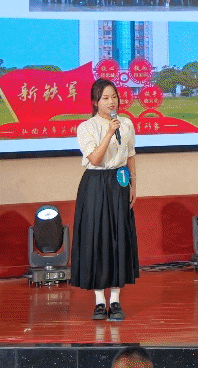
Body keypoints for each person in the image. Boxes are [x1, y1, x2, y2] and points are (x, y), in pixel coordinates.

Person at [71, 78, 140, 321]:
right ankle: (99, 301)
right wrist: (109, 132)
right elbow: (95, 158)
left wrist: (133, 185)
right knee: (97, 238)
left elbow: (130, 155)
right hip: (95, 184)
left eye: (114, 97)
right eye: (106, 98)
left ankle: (116, 300)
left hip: (120, 181)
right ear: (95, 102)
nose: (112, 102)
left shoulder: (127, 124)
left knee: (118, 237)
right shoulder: (86, 127)